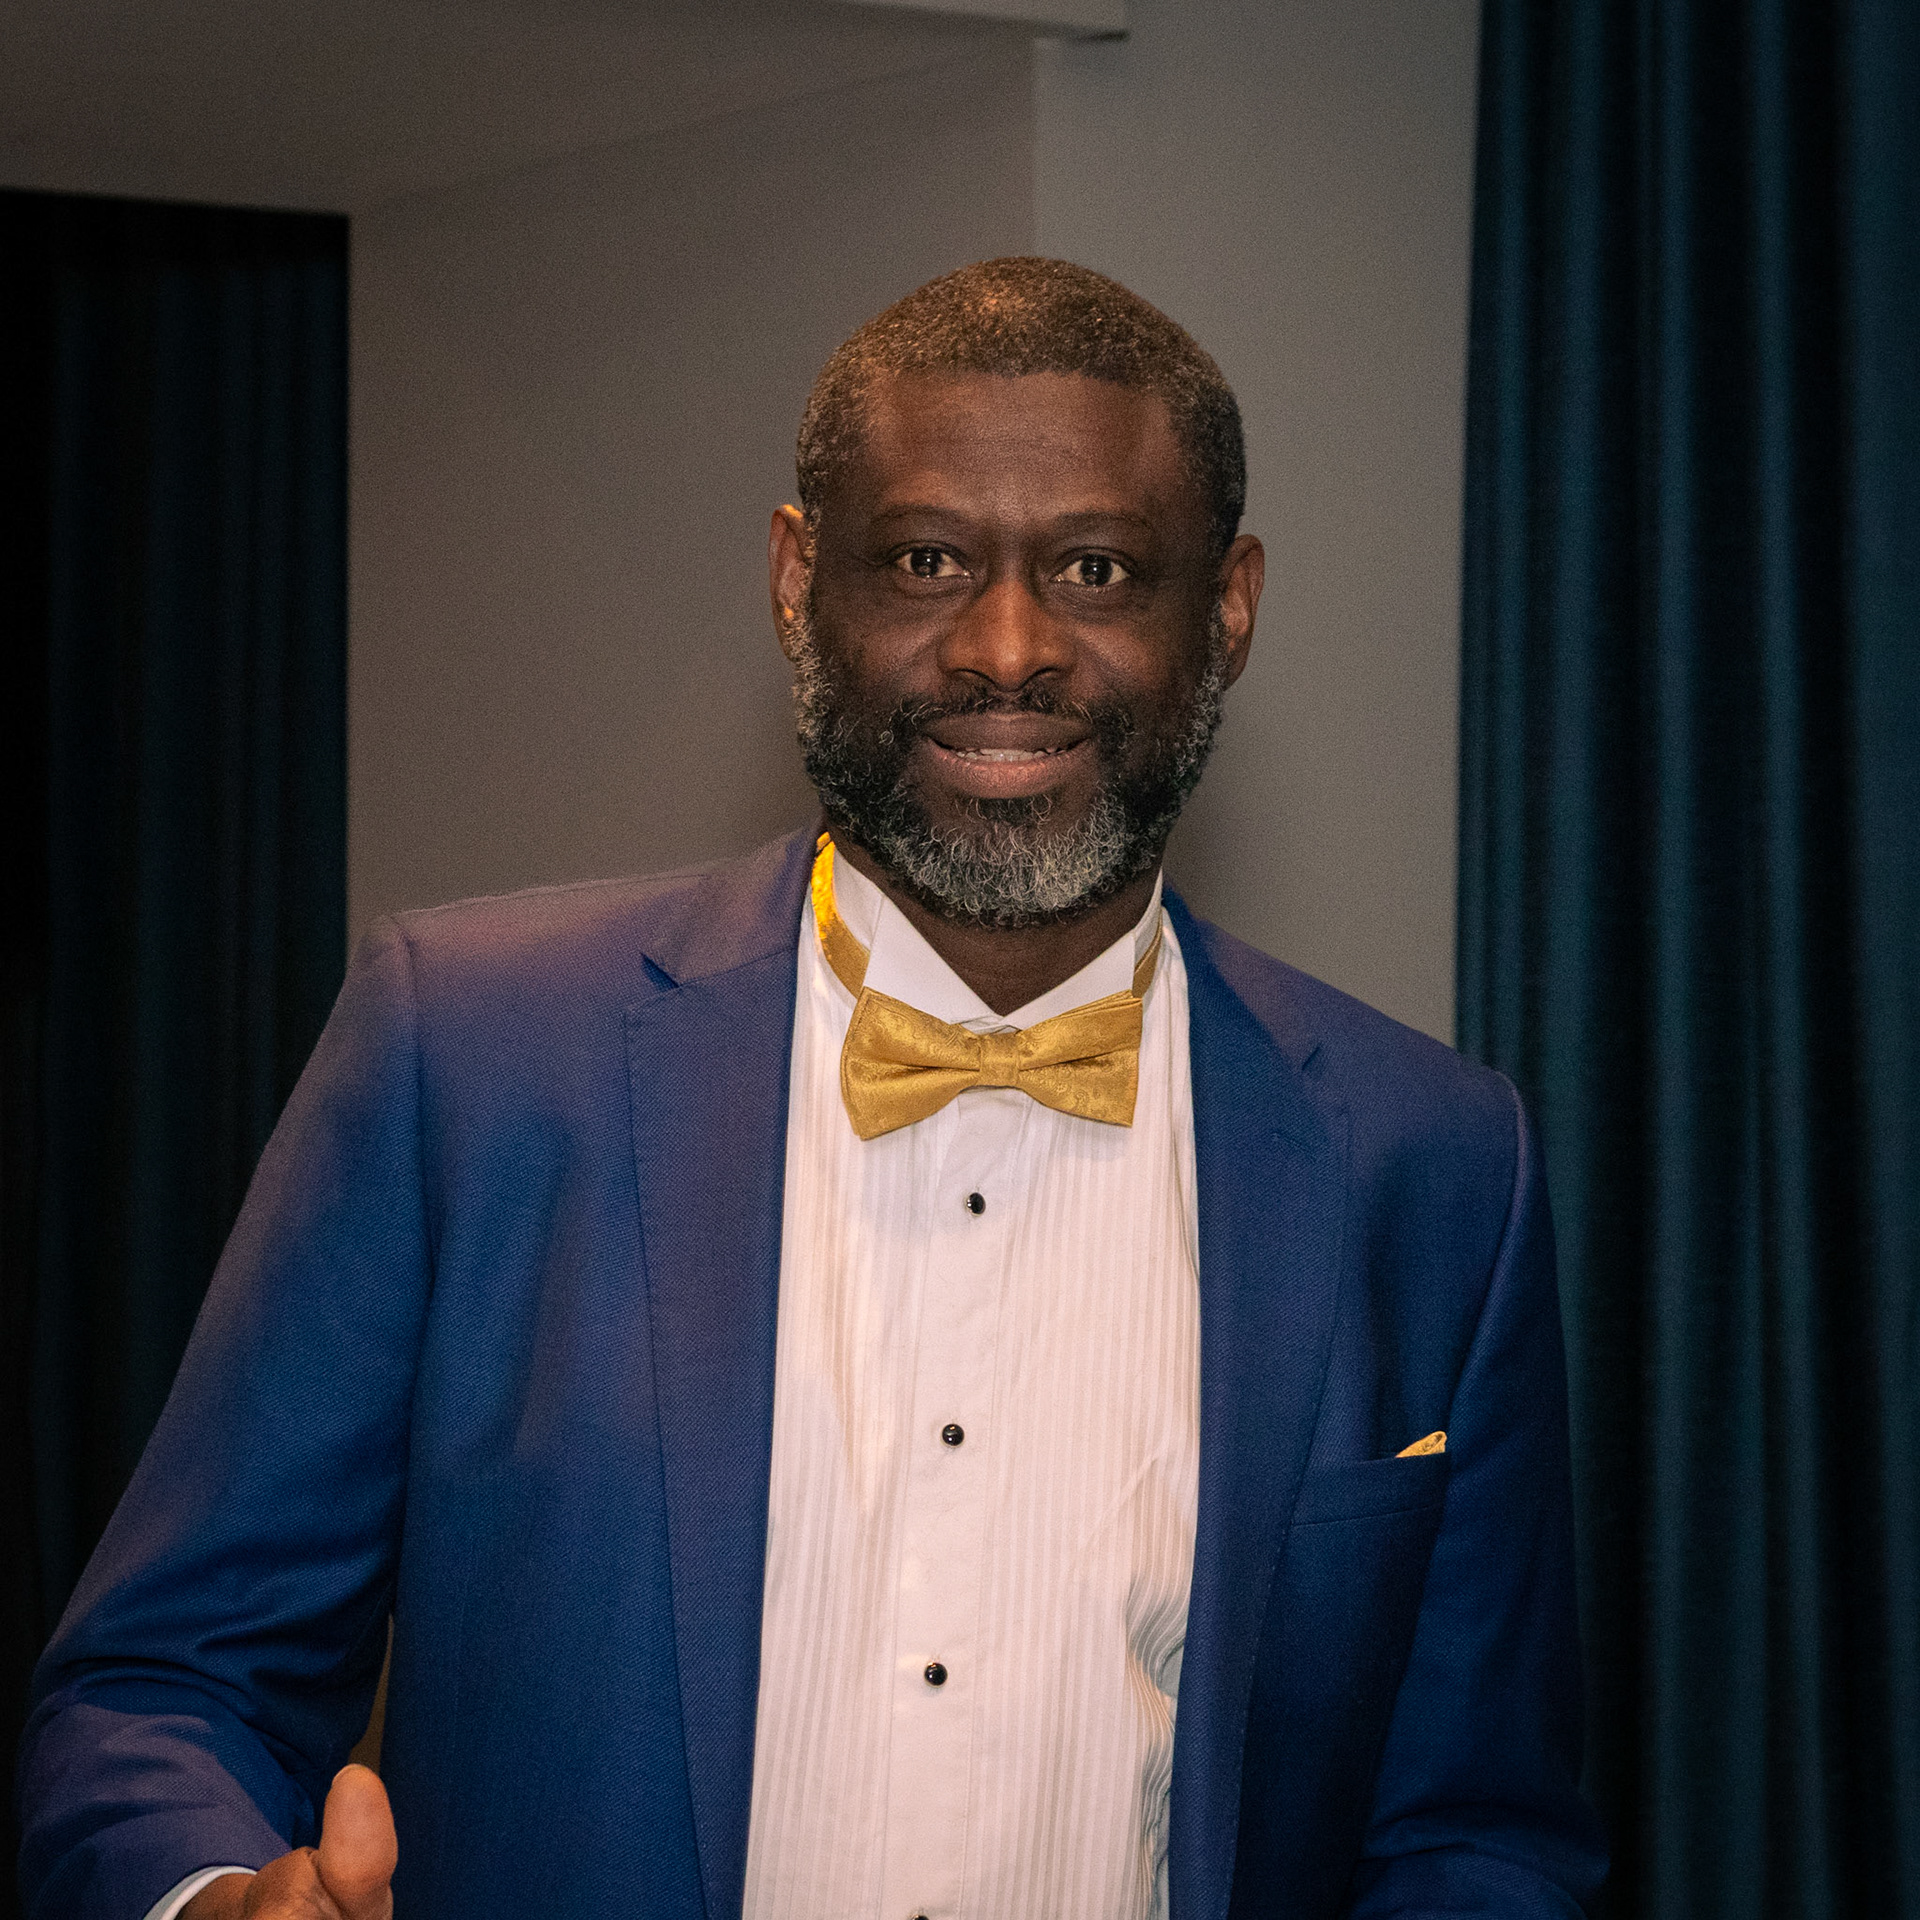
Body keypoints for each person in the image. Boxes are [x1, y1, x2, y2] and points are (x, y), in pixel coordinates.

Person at [17, 258, 1605, 1920]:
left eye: (1097, 569)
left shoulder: (1434, 1166)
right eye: (927, 561)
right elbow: (161, 1684)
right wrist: (207, 1893)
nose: (1007, 649)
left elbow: (1475, 1833)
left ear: (1227, 610)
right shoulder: (469, 1058)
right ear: (795, 583)